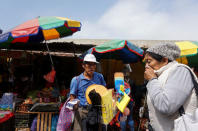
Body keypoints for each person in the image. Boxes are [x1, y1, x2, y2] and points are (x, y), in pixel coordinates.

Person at [144, 42, 198, 131]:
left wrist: (152, 80)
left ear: (165, 60)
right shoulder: (161, 75)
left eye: (149, 61)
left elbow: (166, 106)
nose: (147, 66)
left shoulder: (180, 71)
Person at [69, 54, 106, 131]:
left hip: (96, 112)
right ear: (83, 65)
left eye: (93, 65)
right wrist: (74, 105)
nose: (91, 67)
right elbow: (72, 98)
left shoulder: (99, 77)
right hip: (82, 112)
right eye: (89, 64)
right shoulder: (76, 80)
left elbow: (104, 91)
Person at [120, 64, 135, 131]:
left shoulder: (120, 81)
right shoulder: (132, 81)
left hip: (123, 100)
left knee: (123, 117)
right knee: (130, 118)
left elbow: (119, 93)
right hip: (130, 100)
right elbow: (135, 92)